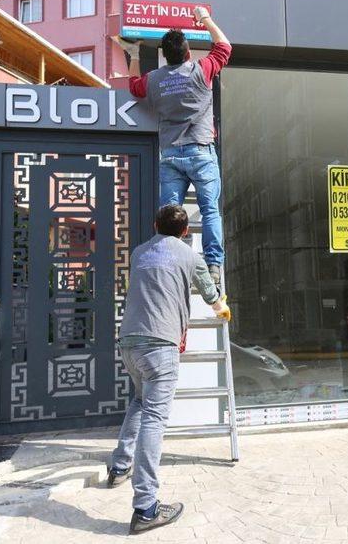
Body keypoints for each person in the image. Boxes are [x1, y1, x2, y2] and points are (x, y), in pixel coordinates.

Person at [107, 204, 231, 535]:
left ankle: (119, 466)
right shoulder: (190, 256)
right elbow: (210, 295)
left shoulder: (138, 253)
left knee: (139, 401)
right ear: (187, 232)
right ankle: (146, 508)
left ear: (153, 224)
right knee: (155, 420)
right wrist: (222, 307)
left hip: (129, 343)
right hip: (160, 346)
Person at [117, 7, 231, 288]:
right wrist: (204, 17)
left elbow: (133, 86)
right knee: (209, 211)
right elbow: (224, 46)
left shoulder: (155, 79)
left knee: (169, 212)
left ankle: (171, 263)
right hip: (201, 151)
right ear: (188, 52)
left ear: (165, 56)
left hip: (170, 154)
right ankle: (213, 266)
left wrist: (132, 54)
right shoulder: (201, 70)